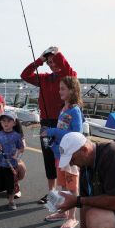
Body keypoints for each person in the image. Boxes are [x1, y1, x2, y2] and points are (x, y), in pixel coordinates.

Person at [21, 46, 77, 204]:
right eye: (49, 62)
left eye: (54, 61)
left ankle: (66, 194)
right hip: (46, 124)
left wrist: (57, 54)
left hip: (63, 124)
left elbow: (67, 69)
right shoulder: (44, 78)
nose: (52, 64)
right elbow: (24, 75)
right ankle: (52, 193)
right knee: (49, 158)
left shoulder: (67, 77)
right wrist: (40, 60)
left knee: (64, 159)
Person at [42, 76, 83, 228]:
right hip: (60, 155)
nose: (60, 91)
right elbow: (62, 132)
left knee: (72, 188)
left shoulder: (75, 110)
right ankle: (63, 212)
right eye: (60, 88)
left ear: (72, 90)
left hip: (71, 157)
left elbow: (76, 134)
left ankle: (72, 218)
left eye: (63, 88)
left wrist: (52, 131)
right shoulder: (63, 109)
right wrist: (52, 142)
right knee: (62, 185)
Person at [0, 110, 24, 211]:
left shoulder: (17, 136)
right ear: (1, 122)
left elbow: (21, 148)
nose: (5, 123)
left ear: (14, 123)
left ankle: (11, 201)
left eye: (9, 121)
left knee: (11, 185)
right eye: (3, 121)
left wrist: (16, 155)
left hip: (11, 165)